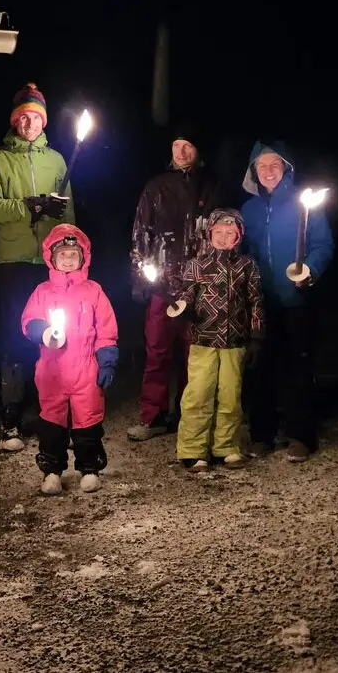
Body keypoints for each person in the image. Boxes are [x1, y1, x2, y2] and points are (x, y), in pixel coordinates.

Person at [0, 82, 76, 453]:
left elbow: (69, 212)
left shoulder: (56, 161)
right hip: (16, 260)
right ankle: (11, 417)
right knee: (15, 335)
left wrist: (71, 252)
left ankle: (53, 413)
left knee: (55, 334)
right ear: (15, 122)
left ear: (43, 122)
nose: (29, 123)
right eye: (23, 118)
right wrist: (28, 205)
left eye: (35, 118)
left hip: (51, 262)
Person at [128, 123, 225, 441]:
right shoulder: (156, 186)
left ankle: (188, 413)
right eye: (176, 146)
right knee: (157, 350)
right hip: (163, 284)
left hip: (197, 284)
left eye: (188, 146)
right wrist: (141, 278)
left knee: (192, 352)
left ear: (197, 151)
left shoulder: (210, 186)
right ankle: (152, 415)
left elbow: (223, 232)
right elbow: (141, 233)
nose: (182, 152)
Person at [238, 141, 334, 462]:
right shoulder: (248, 209)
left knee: (297, 366)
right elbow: (242, 251)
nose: (268, 172)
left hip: (295, 298)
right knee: (260, 368)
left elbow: (322, 244)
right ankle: (262, 434)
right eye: (262, 166)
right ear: (253, 171)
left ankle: (300, 436)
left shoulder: (303, 204)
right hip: (259, 302)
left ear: (286, 168)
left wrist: (311, 270)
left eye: (274, 165)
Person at [21, 224, 118, 494]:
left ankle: (89, 468)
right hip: (52, 368)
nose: (67, 259)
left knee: (87, 420)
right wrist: (41, 331)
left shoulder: (93, 291)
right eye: (62, 254)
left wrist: (107, 357)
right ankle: (52, 470)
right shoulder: (42, 292)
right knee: (52, 421)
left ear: (83, 258)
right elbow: (28, 321)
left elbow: (107, 328)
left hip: (85, 366)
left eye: (73, 254)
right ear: (51, 257)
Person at [167, 209, 265, 472]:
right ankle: (192, 449)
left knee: (230, 396)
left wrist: (256, 335)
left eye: (229, 233)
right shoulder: (196, 265)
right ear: (209, 234)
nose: (223, 237)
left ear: (238, 236)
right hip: (203, 341)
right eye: (218, 232)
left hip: (235, 343)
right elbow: (186, 294)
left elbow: (255, 301)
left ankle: (226, 446)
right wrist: (182, 309)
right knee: (198, 394)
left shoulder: (247, 265)